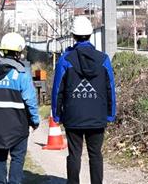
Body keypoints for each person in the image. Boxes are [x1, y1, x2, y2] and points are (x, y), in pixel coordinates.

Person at [51, 16, 116, 184]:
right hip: (97, 116)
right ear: (90, 34)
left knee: (74, 154)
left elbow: (57, 90)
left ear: (73, 35)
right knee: (96, 155)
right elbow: (110, 88)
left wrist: (57, 115)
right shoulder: (104, 59)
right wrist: (110, 114)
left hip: (73, 116)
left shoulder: (65, 60)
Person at [0, 32, 41, 184]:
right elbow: (30, 101)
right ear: (18, 53)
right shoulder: (21, 74)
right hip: (19, 126)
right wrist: (35, 121)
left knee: (0, 157)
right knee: (17, 157)